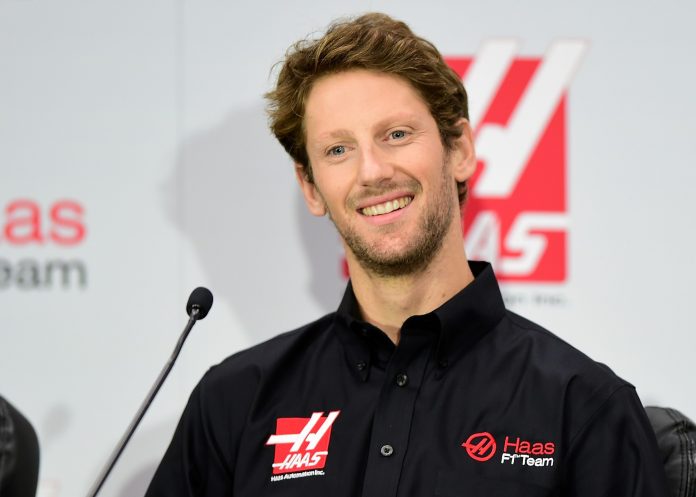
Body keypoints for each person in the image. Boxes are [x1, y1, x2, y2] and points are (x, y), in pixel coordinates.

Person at [145, 13, 670, 496]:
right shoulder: (234, 403)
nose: (372, 171)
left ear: (459, 149)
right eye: (338, 149)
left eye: (396, 134)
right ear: (310, 186)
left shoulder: (584, 407)